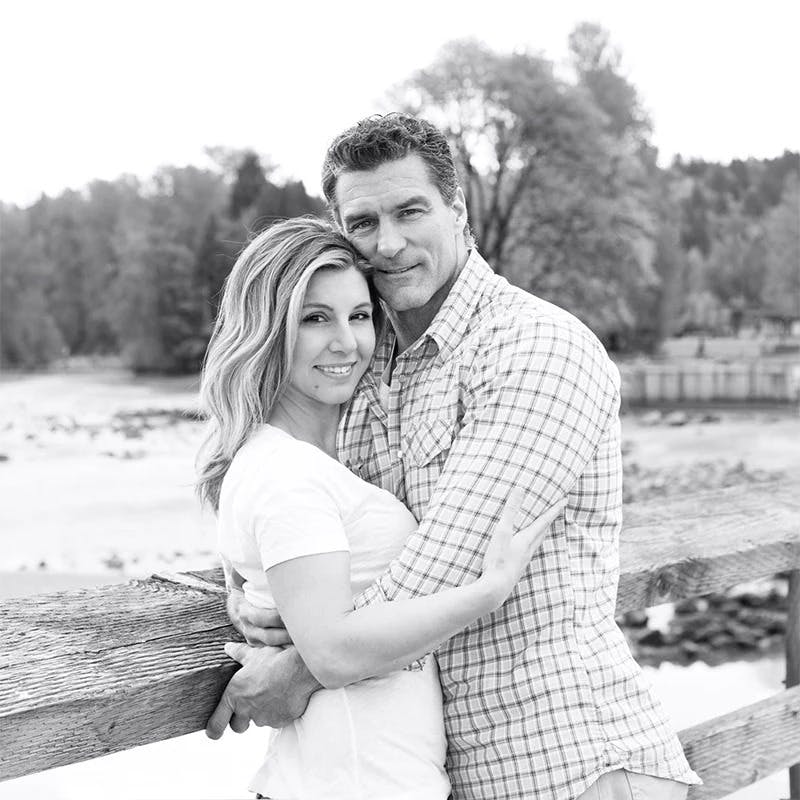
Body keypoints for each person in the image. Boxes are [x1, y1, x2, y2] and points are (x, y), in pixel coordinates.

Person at [212, 115, 702, 800]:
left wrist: (301, 665)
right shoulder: (363, 364)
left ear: (458, 209)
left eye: (410, 211)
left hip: (574, 761)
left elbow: (450, 563)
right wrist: (258, 586)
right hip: (453, 774)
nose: (389, 243)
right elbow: (307, 511)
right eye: (363, 222)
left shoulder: (535, 348)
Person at [196, 216, 562, 800]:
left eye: (359, 315)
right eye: (315, 318)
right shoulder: (286, 473)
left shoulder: (296, 462)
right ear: (268, 328)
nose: (346, 342)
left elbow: (276, 594)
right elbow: (334, 654)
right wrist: (487, 592)